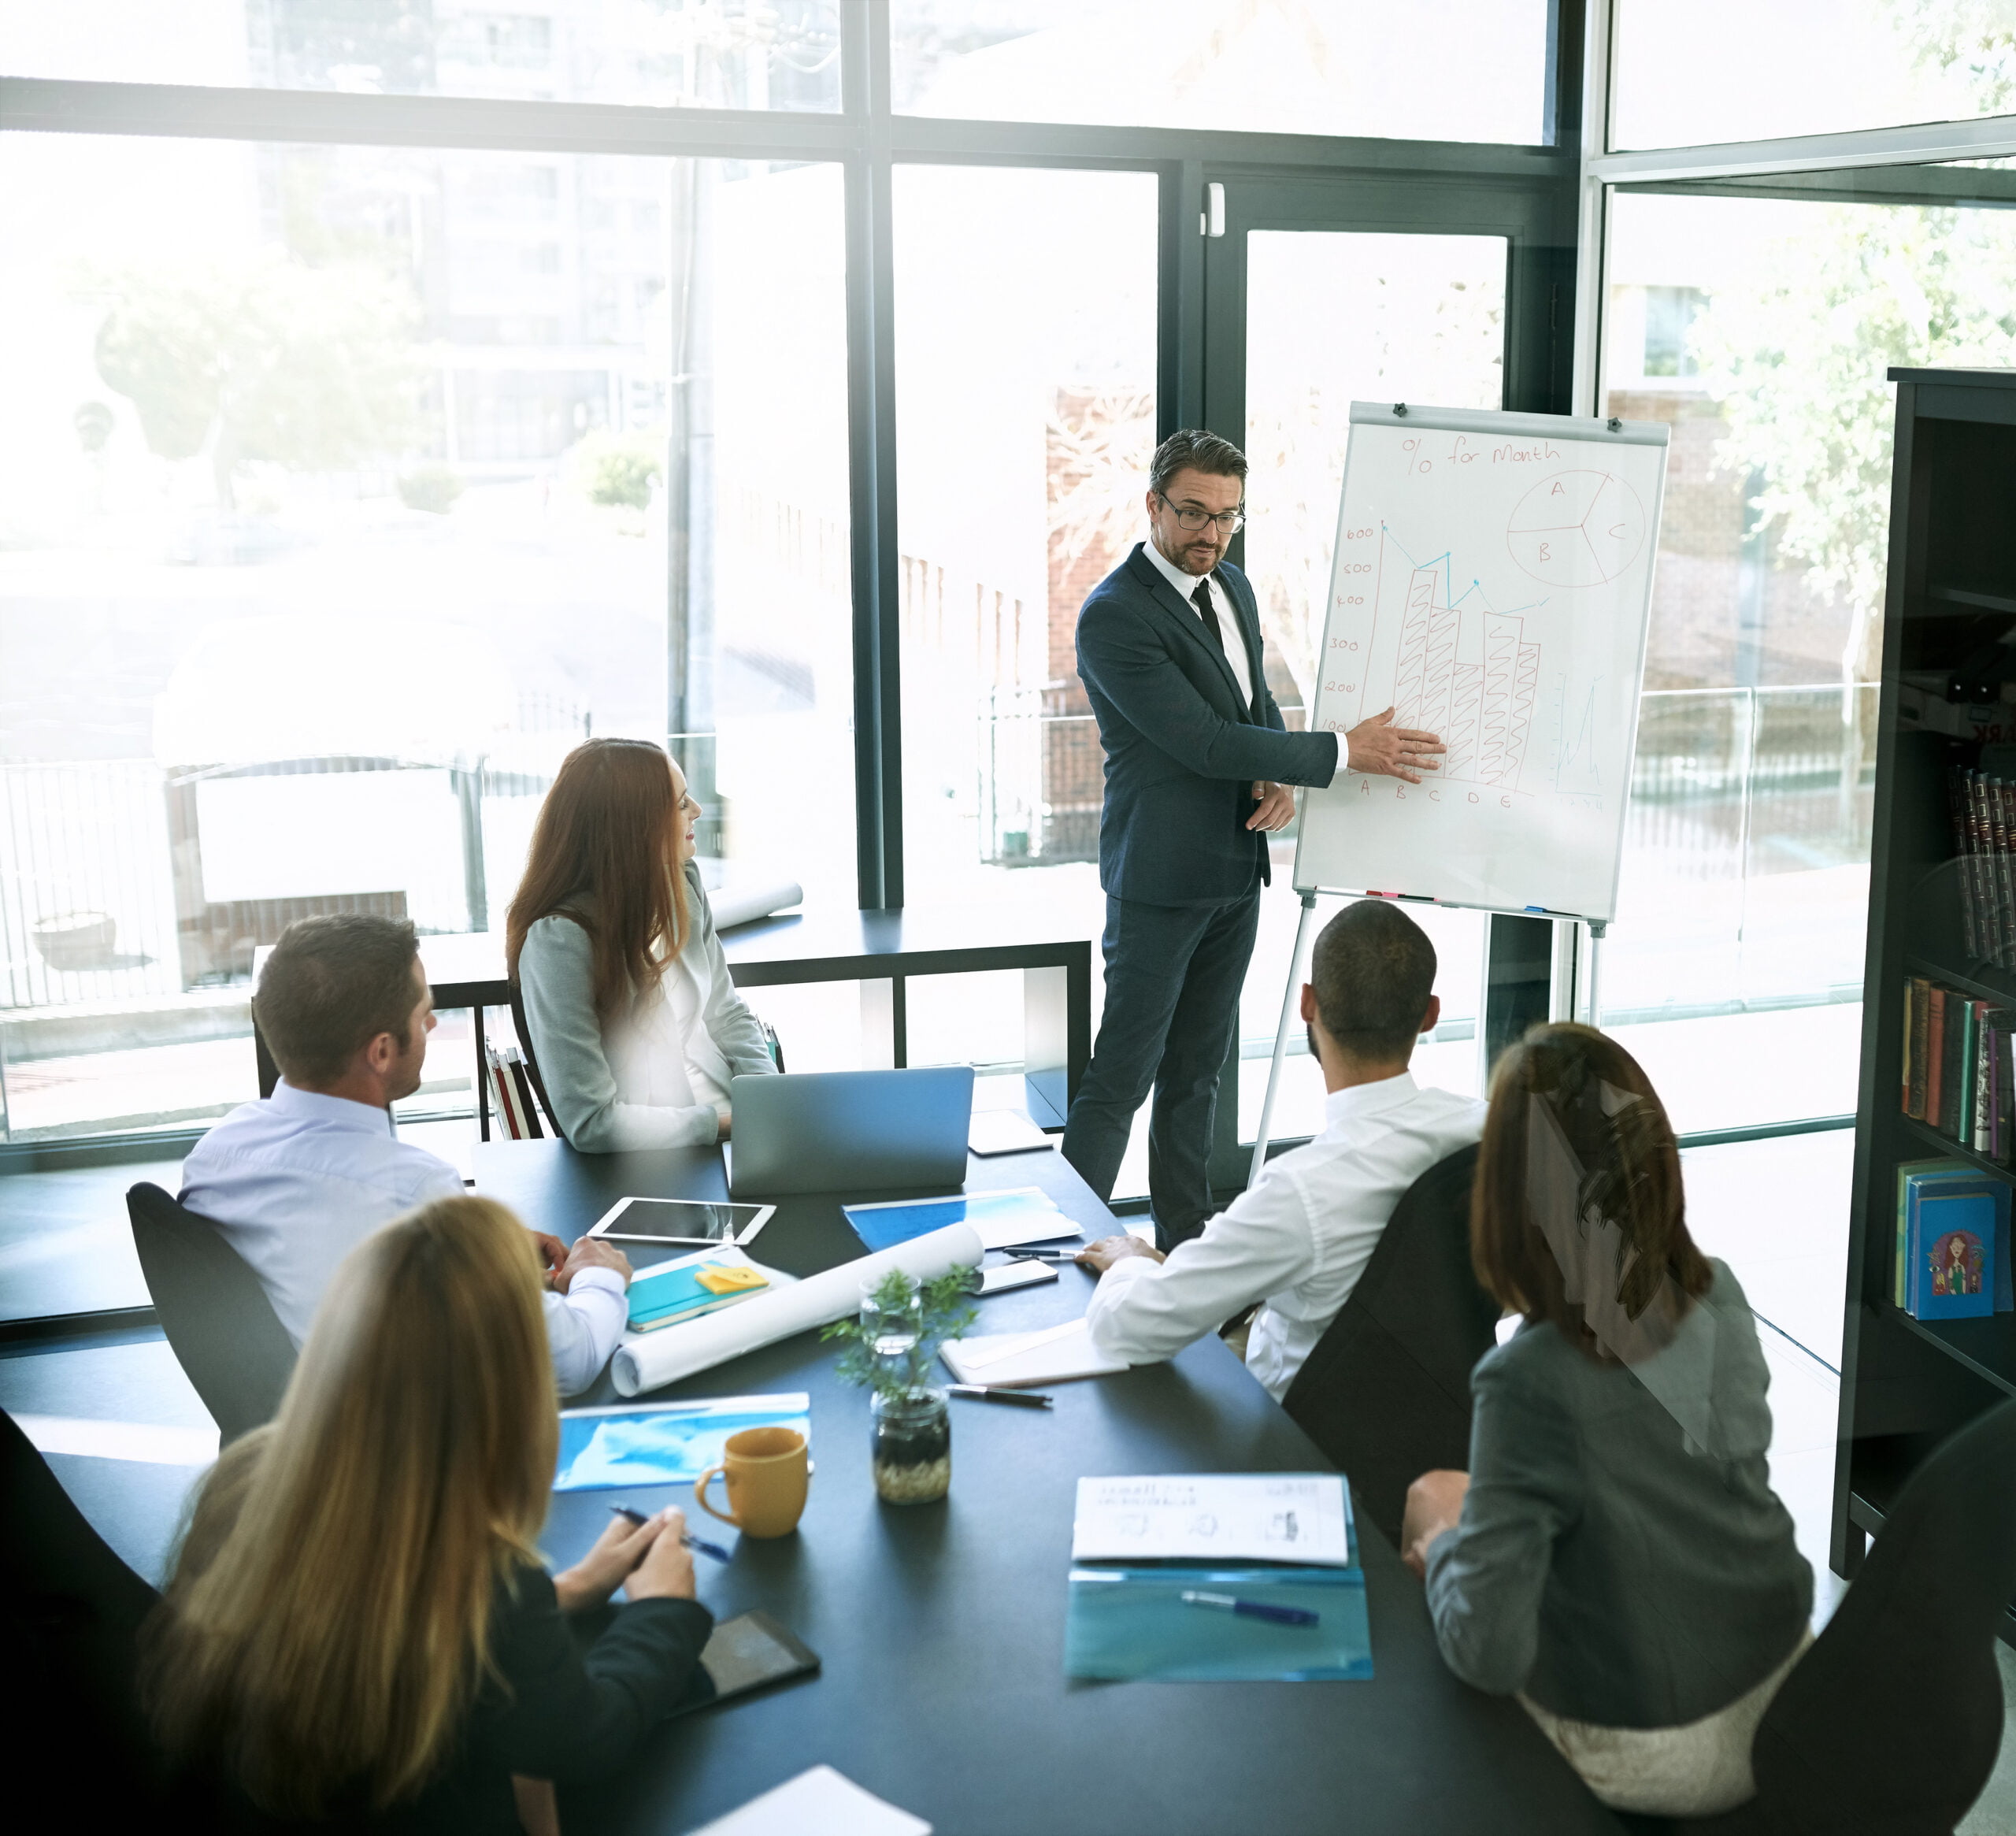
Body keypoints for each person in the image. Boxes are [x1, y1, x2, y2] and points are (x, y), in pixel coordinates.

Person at [143, 1195, 713, 1833]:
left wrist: (569, 1589)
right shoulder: (481, 1575)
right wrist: (663, 1609)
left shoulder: (244, 1482)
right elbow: (584, 1738)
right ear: (511, 1387)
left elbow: (377, 1625)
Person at [1399, 1022, 1813, 1819]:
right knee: (1458, 1498)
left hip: (1667, 1747)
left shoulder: (1527, 1382)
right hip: (1790, 1682)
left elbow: (1489, 1654)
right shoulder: (1718, 1295)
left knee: (1432, 1507)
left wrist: (1442, 1549)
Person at [1062, 427, 1447, 1248]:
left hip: (1237, 865)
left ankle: (1187, 1244)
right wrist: (1340, 754)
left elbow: (1249, 703)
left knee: (1198, 1075)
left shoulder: (1231, 586)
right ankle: (1066, 1245)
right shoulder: (1114, 617)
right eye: (1194, 514)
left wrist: (1276, 769)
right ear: (1153, 506)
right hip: (1160, 877)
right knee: (1121, 1078)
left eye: (1228, 517)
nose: (1211, 534)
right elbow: (1200, 740)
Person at [180, 914, 631, 1397]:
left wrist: (480, 1252)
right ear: (381, 1052)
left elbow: (312, 1247)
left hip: (303, 1432)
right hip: (408, 1447)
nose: (433, 1023)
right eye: (423, 1014)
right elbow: (572, 1360)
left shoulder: (216, 1152)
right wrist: (597, 1279)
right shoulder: (415, 1193)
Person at [1076, 899, 1484, 1400]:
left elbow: (1123, 1330)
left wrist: (1130, 1264)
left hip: (1298, 1431)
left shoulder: (1303, 1189)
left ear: (1307, 1004)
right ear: (1430, 1015)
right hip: (1445, 1408)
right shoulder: (1491, 1130)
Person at [508, 739, 779, 1152]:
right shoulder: (560, 941)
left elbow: (727, 1014)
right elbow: (592, 1122)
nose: (698, 811)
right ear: (633, 825)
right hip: (661, 1151)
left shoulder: (682, 886)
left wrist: (774, 1102)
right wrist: (726, 1124)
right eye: (681, 803)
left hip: (738, 1122)